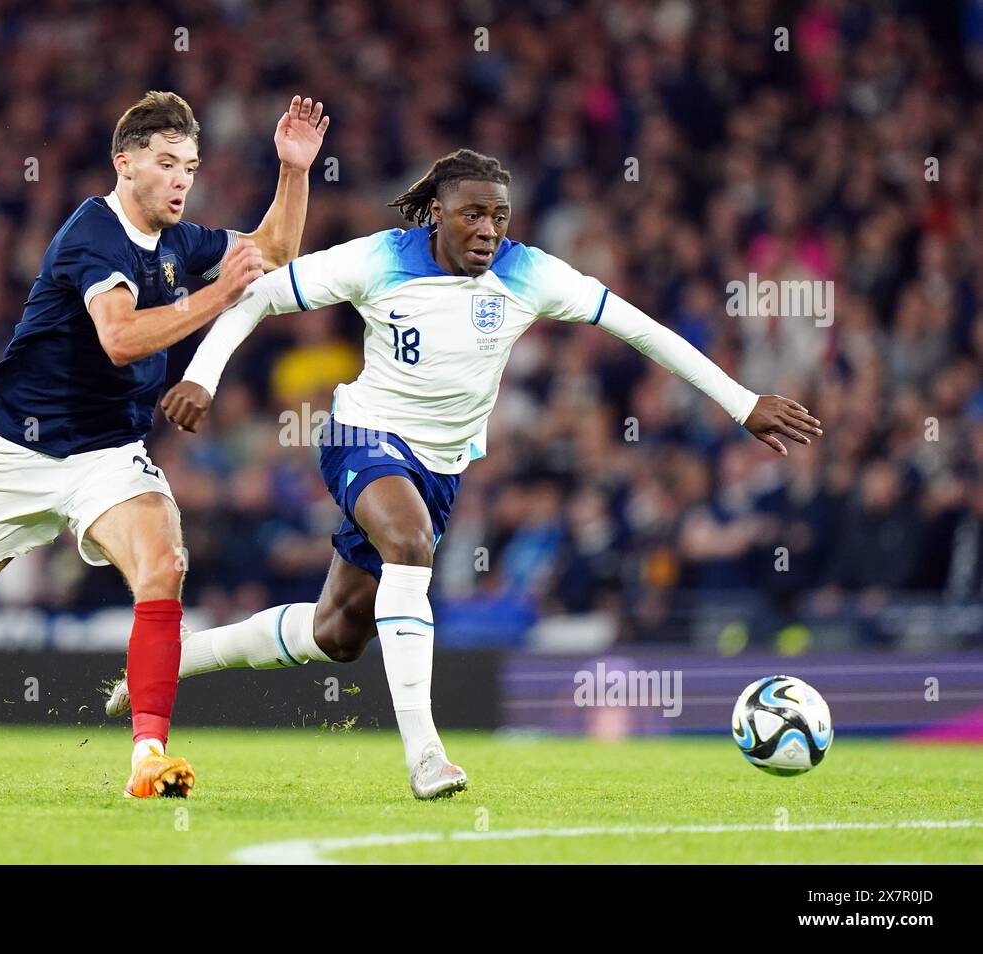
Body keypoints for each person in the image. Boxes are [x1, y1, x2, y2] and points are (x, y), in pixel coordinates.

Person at [106, 148, 823, 799]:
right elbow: (260, 293)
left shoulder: (528, 272)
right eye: (472, 214)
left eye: (499, 216)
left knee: (339, 635)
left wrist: (742, 402)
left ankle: (174, 662)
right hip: (363, 437)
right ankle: (426, 756)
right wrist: (202, 375)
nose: (487, 229)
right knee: (409, 546)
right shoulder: (378, 259)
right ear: (435, 215)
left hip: (442, 468)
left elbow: (639, 327)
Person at [0, 91, 329, 798]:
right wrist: (217, 299)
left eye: (192, 165)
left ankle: (147, 757)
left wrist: (295, 171)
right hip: (20, 455)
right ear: (125, 164)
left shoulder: (180, 244)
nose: (183, 179)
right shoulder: (93, 232)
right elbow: (119, 339)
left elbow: (271, 252)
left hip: (108, 456)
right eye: (167, 163)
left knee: (165, 563)